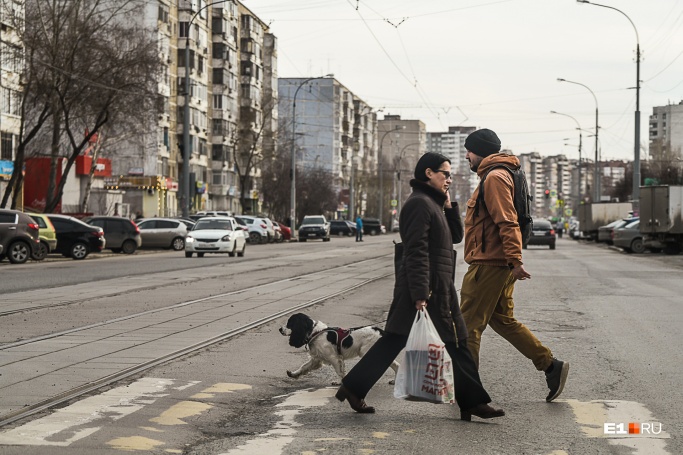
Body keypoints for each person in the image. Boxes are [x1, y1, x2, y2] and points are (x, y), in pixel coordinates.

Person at [336, 152, 505, 421]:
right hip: (426, 289)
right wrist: (420, 293)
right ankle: (472, 402)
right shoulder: (418, 204)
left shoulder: (432, 203)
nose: (449, 179)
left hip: (437, 285)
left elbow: (457, 236)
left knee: (401, 340)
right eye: (445, 174)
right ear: (428, 173)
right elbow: (415, 251)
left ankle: (353, 387)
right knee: (455, 342)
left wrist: (449, 205)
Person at [460, 128, 569, 403]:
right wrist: (513, 261)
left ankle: (468, 389)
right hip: (500, 263)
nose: (466, 156)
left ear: (480, 151)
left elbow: (507, 221)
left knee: (468, 325)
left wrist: (515, 259)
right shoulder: (501, 174)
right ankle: (550, 365)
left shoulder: (495, 177)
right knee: (503, 320)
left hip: (490, 264)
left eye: (469, 151)